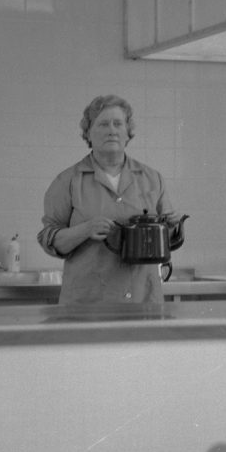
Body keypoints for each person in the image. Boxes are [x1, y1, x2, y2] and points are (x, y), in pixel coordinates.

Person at [37, 95, 180, 304]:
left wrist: (172, 227)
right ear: (88, 133)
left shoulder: (151, 178)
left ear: (127, 132)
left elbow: (168, 240)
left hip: (144, 301)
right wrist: (85, 230)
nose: (112, 130)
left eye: (118, 124)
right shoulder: (68, 181)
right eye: (103, 124)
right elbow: (49, 239)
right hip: (87, 306)